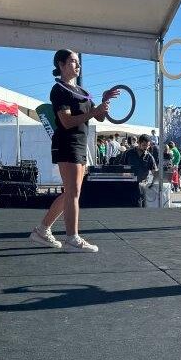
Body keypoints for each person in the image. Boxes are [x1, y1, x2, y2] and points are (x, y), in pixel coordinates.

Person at [29, 49, 116, 252]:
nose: (78, 65)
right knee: (73, 193)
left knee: (71, 192)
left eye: (78, 62)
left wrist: (103, 102)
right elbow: (66, 122)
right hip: (67, 143)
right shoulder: (59, 90)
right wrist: (94, 111)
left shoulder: (83, 92)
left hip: (80, 144)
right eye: (73, 61)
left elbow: (99, 117)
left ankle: (42, 230)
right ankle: (72, 238)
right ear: (61, 64)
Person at [122, 134, 159, 205]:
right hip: (128, 185)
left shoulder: (149, 157)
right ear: (138, 143)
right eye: (144, 145)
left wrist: (154, 181)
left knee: (139, 206)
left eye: (147, 146)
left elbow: (154, 171)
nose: (146, 147)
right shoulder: (128, 153)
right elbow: (121, 167)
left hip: (141, 186)